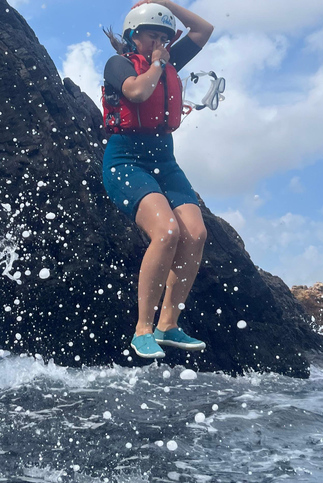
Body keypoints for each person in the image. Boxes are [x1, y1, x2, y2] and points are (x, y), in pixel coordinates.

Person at [101, 1, 213, 358]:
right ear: (134, 36)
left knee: (195, 233)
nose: (160, 42)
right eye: (153, 35)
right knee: (167, 232)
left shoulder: (168, 62)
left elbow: (203, 30)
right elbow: (137, 93)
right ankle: (142, 330)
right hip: (126, 159)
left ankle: (168, 325)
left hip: (164, 158)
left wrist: (164, 4)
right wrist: (159, 62)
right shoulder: (119, 64)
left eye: (165, 37)